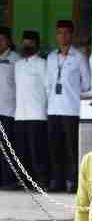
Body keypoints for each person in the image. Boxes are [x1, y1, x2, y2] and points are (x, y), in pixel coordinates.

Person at [46, 19, 91, 193]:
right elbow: (47, 84)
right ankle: (57, 181)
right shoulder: (51, 57)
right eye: (59, 33)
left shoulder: (79, 58)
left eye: (66, 32)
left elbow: (87, 84)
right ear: (56, 35)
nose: (62, 36)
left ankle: (73, 181)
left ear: (72, 35)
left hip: (71, 110)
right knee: (55, 147)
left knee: (72, 149)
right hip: (53, 109)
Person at [14, 30, 49, 190]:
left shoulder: (43, 64)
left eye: (30, 43)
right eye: (25, 42)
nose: (27, 45)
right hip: (20, 114)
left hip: (37, 114)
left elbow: (48, 89)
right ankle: (23, 182)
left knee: (37, 151)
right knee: (22, 151)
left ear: (36, 44)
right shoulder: (18, 65)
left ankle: (41, 181)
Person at [0, 27, 19, 189]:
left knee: (8, 148)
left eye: (2, 39)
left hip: (9, 111)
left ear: (8, 41)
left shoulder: (16, 59)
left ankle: (8, 180)